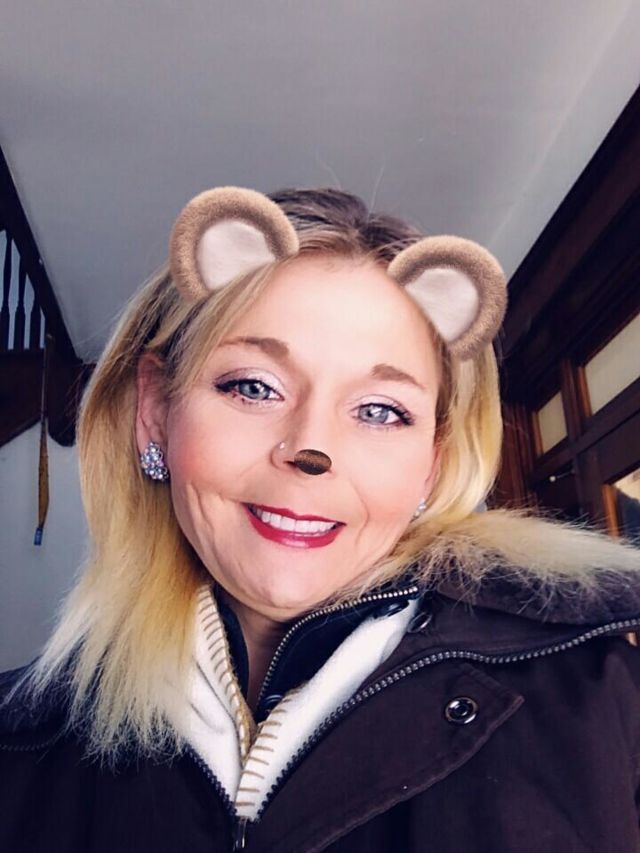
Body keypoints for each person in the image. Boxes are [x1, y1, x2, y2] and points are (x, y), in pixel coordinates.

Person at [1, 185, 640, 853]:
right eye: (254, 387)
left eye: (380, 411)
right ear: (156, 412)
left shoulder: (604, 704)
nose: (311, 450)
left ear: (432, 462)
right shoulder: (18, 746)